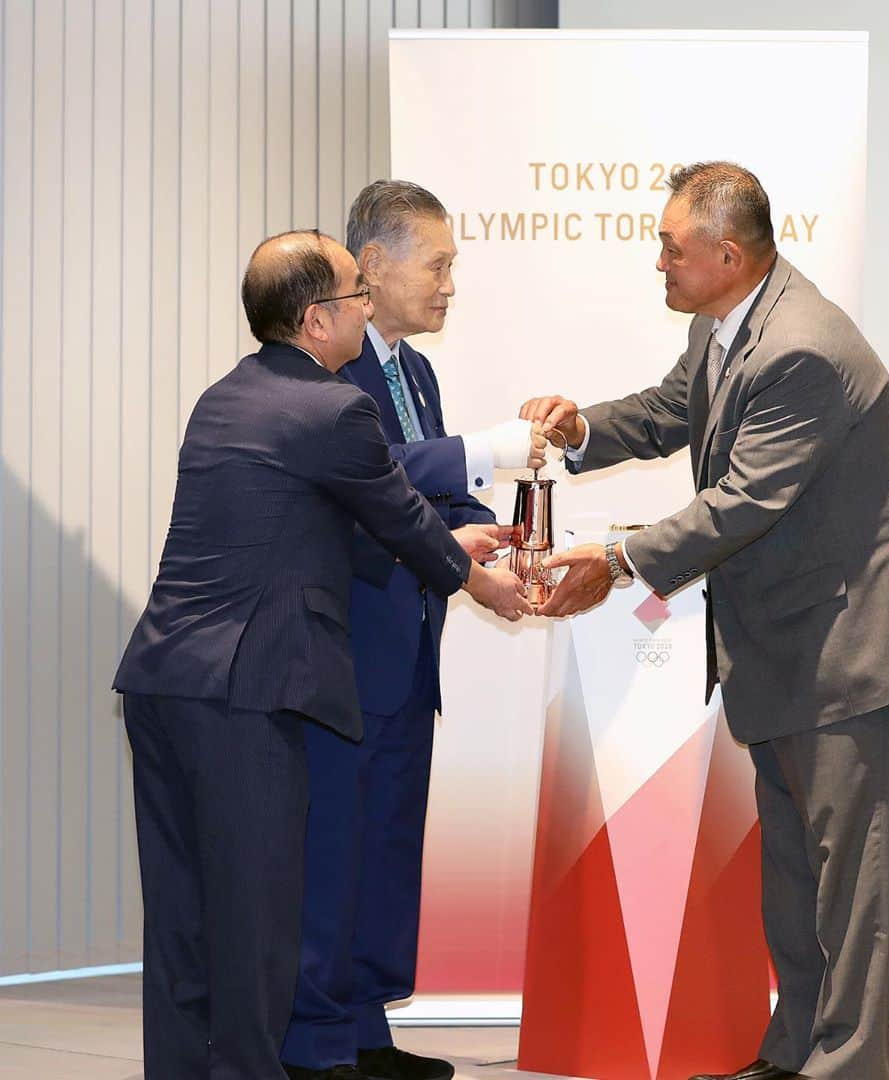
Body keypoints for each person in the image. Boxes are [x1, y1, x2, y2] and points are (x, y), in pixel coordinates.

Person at [520, 162, 889, 1080]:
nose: (659, 265)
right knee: (795, 870)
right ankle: (793, 1053)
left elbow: (742, 502)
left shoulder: (803, 348)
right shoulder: (723, 322)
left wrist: (614, 559)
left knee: (852, 883)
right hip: (791, 642)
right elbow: (674, 410)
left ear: (727, 252)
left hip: (854, 646)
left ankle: (844, 1067)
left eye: (671, 250)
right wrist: (579, 429)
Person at [114, 230, 531, 1080]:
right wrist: (478, 580)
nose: (368, 306)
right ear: (316, 320)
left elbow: (338, 517)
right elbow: (400, 517)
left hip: (163, 681)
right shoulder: (335, 407)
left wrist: (450, 545)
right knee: (260, 927)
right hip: (246, 694)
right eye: (355, 295)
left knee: (187, 925)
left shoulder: (226, 395)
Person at [279, 181, 544, 1080]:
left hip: (406, 655)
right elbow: (370, 475)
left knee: (386, 846)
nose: (449, 284)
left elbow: (429, 503)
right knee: (334, 850)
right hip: (344, 651)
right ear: (375, 266)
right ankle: (314, 1045)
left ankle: (363, 1032)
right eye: (437, 264)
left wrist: (500, 542)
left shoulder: (415, 371)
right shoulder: (326, 366)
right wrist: (483, 449)